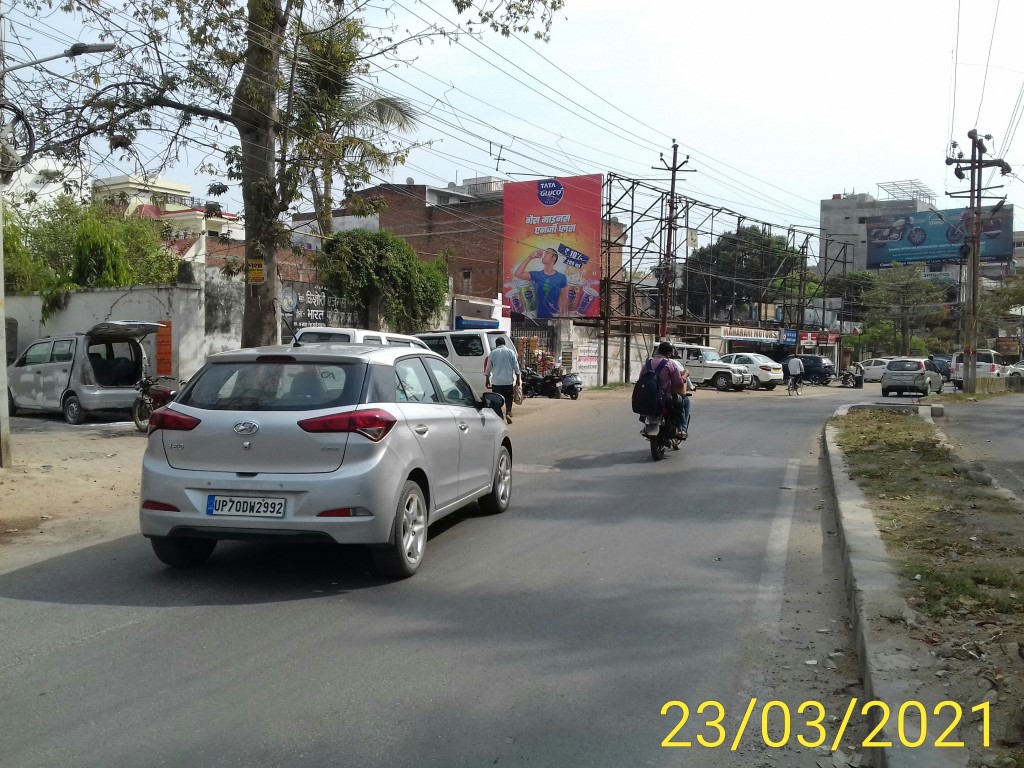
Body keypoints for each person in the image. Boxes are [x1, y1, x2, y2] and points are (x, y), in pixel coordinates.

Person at [645, 341, 685, 438]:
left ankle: (646, 425)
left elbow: (641, 378)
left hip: (648, 398)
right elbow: (679, 382)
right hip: (665, 398)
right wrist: (685, 376)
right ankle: (680, 429)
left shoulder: (648, 363)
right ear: (669, 353)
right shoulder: (670, 364)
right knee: (681, 401)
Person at [513, 247, 567, 318]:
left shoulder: (561, 277)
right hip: (539, 317)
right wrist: (530, 257)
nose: (544, 254)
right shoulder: (537, 275)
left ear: (553, 258)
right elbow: (518, 274)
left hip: (555, 316)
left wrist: (564, 316)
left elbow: (564, 299)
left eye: (547, 253)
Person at [484, 336, 521, 424]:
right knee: (509, 397)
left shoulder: (492, 353)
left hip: (496, 382)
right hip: (508, 381)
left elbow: (488, 368)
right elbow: (516, 367)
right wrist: (518, 378)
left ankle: (500, 416)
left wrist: (487, 380)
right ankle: (508, 412)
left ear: (496, 344)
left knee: (496, 400)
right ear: (504, 344)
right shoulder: (511, 352)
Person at [671, 353, 693, 439]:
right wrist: (691, 386)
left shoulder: (650, 362)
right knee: (684, 402)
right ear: (670, 353)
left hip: (654, 395)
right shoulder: (672, 364)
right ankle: (682, 429)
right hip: (669, 394)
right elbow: (681, 381)